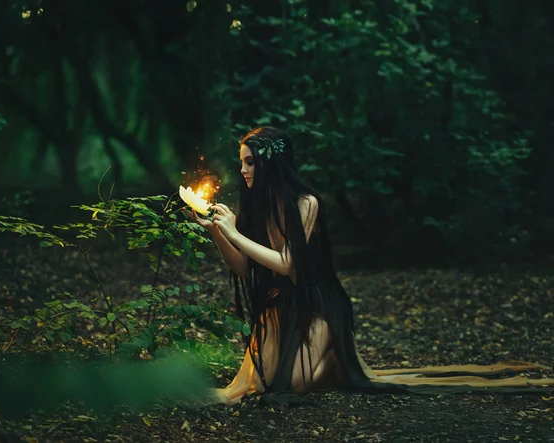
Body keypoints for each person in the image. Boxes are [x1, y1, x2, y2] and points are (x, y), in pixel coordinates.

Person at [185, 126, 554, 405]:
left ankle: (331, 355)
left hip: (314, 307)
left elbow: (287, 265)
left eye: (250, 162)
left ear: (270, 163)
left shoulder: (306, 203)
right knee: (254, 389)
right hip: (279, 308)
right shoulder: (256, 207)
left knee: (289, 387)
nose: (244, 171)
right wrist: (218, 232)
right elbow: (242, 268)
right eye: (242, 163)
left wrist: (234, 233)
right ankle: (325, 365)